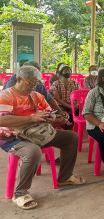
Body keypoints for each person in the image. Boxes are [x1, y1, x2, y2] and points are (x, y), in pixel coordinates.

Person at [0, 66, 86, 210]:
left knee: (71, 138)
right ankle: (20, 193)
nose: (34, 86)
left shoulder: (36, 96)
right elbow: (2, 120)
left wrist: (55, 118)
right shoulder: (6, 95)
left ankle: (65, 178)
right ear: (19, 79)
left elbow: (49, 113)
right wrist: (31, 118)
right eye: (31, 83)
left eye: (37, 83)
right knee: (33, 152)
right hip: (13, 137)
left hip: (37, 133)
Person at [3, 61, 69, 129]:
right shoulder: (11, 87)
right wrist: (33, 117)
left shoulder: (37, 82)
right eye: (32, 74)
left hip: (35, 115)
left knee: (62, 120)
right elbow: (7, 117)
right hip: (20, 121)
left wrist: (58, 112)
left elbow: (49, 99)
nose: (35, 84)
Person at [50, 64, 80, 128]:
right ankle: (66, 122)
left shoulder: (74, 83)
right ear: (61, 73)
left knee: (83, 110)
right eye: (65, 71)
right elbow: (57, 99)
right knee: (60, 111)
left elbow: (79, 95)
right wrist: (69, 106)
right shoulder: (56, 83)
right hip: (61, 105)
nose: (67, 72)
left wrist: (76, 104)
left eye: (69, 71)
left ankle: (75, 122)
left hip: (72, 104)